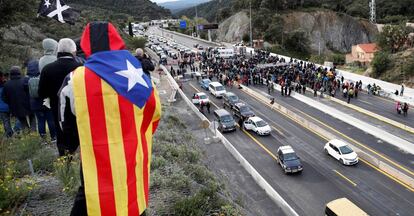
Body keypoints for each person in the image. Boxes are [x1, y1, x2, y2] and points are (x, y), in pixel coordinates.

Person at [59, 22, 161, 216]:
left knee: (91, 199)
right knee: (132, 200)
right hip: (133, 153)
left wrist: (76, 146)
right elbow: (155, 112)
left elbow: (66, 126)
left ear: (86, 45)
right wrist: (138, 133)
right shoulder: (138, 76)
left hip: (94, 161)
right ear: (118, 42)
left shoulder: (74, 80)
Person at [39, 38, 82, 156]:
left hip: (56, 105)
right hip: (76, 104)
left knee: (60, 130)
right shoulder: (80, 67)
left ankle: (64, 157)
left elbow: (41, 92)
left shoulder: (47, 69)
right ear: (73, 51)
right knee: (78, 129)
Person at [27, 60, 56, 141]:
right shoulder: (43, 76)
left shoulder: (27, 79)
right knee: (50, 120)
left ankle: (43, 139)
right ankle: (54, 137)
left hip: (35, 104)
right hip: (46, 102)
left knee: (40, 121)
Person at [2, 66, 31, 131]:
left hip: (15, 107)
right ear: (19, 72)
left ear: (10, 73)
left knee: (22, 120)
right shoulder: (25, 80)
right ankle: (32, 132)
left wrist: (11, 102)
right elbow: (29, 92)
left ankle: (27, 132)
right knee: (32, 118)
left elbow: (4, 98)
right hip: (27, 105)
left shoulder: (7, 84)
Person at [0, 71, 13, 137]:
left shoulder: (5, 84)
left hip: (1, 108)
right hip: (9, 106)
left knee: (6, 121)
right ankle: (12, 132)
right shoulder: (6, 84)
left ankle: (9, 135)